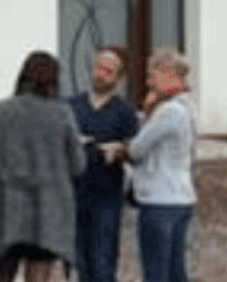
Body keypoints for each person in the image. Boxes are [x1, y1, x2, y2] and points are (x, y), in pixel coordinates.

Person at [0, 50, 86, 282]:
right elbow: (78, 165)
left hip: (8, 210)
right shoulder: (62, 113)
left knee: (3, 275)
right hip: (49, 214)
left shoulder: (0, 111)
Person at [119, 47, 197, 282]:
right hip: (181, 198)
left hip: (159, 198)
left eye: (152, 75)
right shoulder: (186, 106)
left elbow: (137, 149)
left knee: (156, 273)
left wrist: (119, 149)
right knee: (175, 271)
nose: (148, 81)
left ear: (168, 72)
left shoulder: (168, 110)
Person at [68, 48, 140, 282]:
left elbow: (137, 152)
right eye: (99, 68)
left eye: (109, 71)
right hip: (75, 192)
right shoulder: (71, 106)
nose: (101, 74)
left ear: (118, 78)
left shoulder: (124, 111)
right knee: (80, 261)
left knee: (103, 261)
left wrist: (119, 150)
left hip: (107, 195)